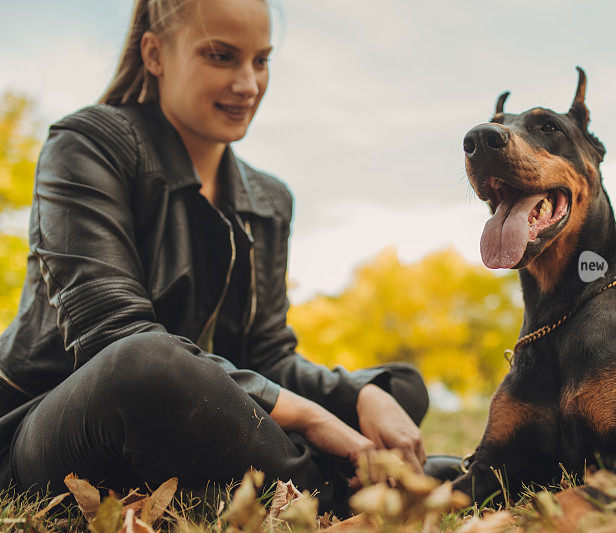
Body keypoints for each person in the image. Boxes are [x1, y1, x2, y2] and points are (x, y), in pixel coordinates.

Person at [0, 0, 458, 513]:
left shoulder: (268, 200)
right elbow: (114, 334)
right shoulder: (87, 145)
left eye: (260, 60)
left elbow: (267, 357)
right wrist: (312, 418)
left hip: (181, 422)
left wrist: (357, 399)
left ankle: (331, 476)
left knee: (398, 389)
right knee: (149, 365)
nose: (248, 84)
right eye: (221, 57)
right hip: (44, 432)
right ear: (154, 54)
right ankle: (335, 491)